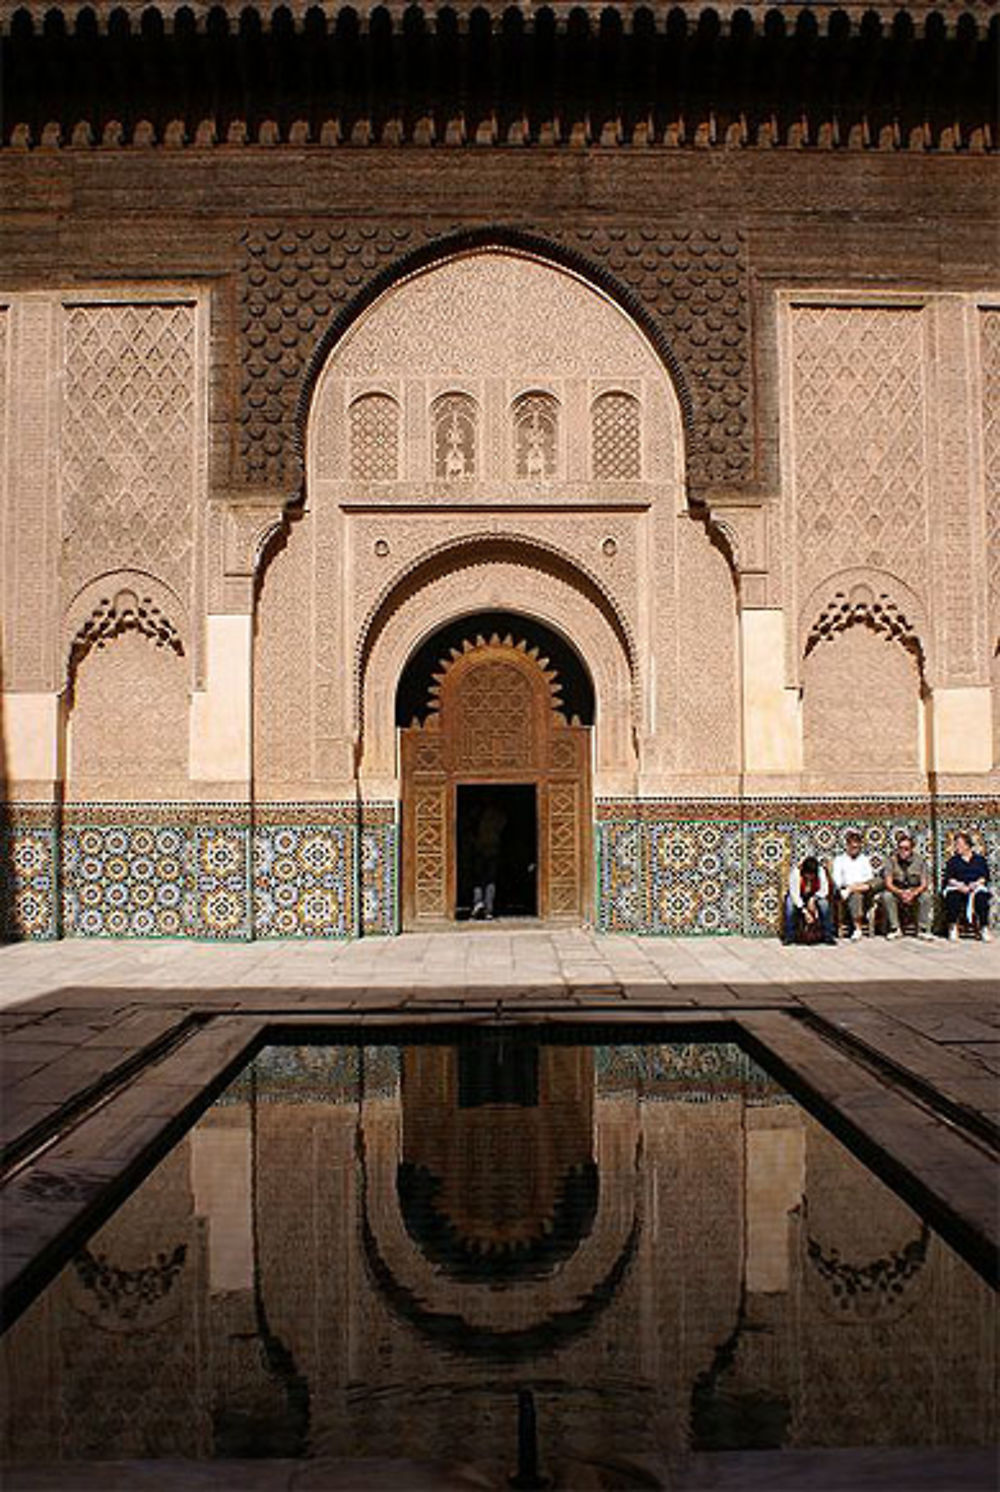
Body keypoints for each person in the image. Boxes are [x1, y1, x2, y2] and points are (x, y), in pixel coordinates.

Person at [881, 832, 934, 941]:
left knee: (926, 896)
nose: (903, 851)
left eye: (906, 848)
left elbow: (924, 883)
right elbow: (888, 883)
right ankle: (895, 929)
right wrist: (901, 893)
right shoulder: (890, 860)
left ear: (912, 849)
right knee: (887, 896)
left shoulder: (920, 861)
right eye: (900, 848)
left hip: (915, 891)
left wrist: (913, 893)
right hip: (897, 891)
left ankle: (922, 929)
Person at [943, 832, 992, 943]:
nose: (956, 847)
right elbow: (949, 878)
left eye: (959, 844)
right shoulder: (953, 861)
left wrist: (976, 884)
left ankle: (984, 927)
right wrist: (959, 885)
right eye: (955, 844)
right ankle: (953, 927)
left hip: (975, 886)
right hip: (958, 886)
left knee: (982, 897)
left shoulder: (979, 860)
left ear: (967, 845)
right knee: (953, 897)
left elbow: (985, 876)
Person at [831, 830, 876, 941]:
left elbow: (869, 878)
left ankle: (852, 889)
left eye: (857, 847)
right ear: (847, 845)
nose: (855, 849)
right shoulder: (839, 860)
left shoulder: (864, 860)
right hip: (846, 892)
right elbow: (837, 880)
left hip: (863, 889)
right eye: (852, 847)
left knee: (877, 882)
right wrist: (849, 887)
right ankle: (858, 928)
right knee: (856, 895)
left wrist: (854, 886)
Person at [784, 855, 836, 945]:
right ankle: (789, 936)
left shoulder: (821, 872)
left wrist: (813, 899)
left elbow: (824, 890)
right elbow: (795, 895)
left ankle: (828, 935)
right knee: (789, 906)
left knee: (824, 905)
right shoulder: (796, 873)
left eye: (812, 875)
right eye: (808, 874)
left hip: (815, 895)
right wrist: (805, 911)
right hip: (799, 896)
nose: (810, 877)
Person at [471, 800, 507, 920]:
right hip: (493, 848)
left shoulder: (479, 813)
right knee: (490, 880)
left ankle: (478, 903)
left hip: (480, 848)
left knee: (479, 878)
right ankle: (488, 910)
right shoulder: (500, 815)